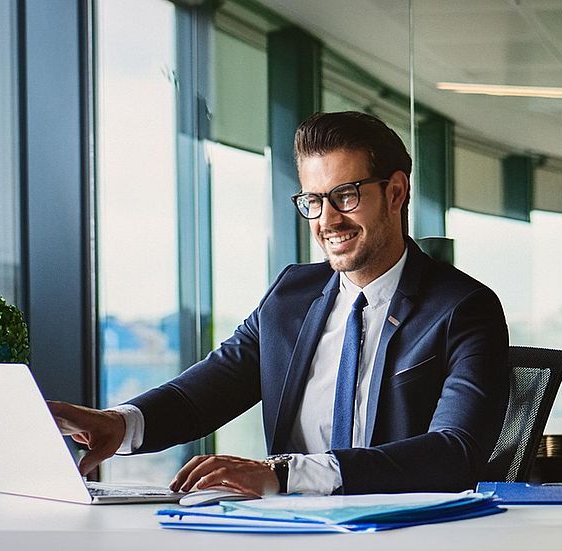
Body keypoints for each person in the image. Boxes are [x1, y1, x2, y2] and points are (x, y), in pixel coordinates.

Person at [50, 111, 509, 496]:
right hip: (289, 531)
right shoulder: (291, 295)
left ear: (395, 192)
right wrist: (119, 423)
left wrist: (284, 474)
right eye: (313, 200)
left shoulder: (464, 307)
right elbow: (203, 394)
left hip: (402, 535)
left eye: (345, 196)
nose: (328, 220)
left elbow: (455, 451)